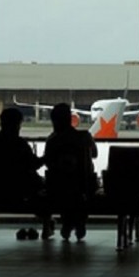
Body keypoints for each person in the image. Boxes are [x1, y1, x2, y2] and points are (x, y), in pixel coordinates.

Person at [0, 106, 49, 239]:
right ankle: (47, 224)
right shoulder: (20, 144)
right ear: (18, 124)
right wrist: (46, 157)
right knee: (44, 189)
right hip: (19, 191)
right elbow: (33, 165)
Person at [42, 102, 98, 241]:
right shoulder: (84, 136)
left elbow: (48, 162)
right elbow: (95, 154)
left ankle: (67, 222)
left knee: (61, 189)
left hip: (58, 187)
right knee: (78, 191)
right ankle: (78, 221)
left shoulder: (52, 140)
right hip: (84, 186)